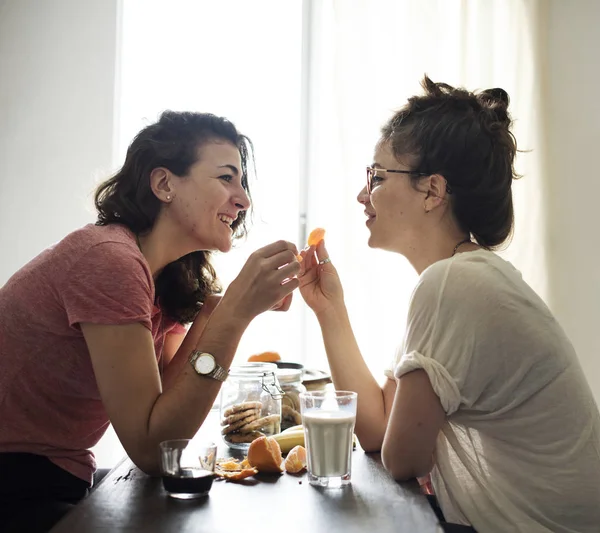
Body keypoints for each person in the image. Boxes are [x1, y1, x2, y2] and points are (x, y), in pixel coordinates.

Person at [298, 77, 600, 532]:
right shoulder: (460, 276)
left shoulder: (453, 284)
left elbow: (400, 458)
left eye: (377, 177)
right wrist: (329, 309)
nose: (364, 195)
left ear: (433, 191)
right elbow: (379, 428)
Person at [0, 111, 300, 531]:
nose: (243, 199)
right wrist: (235, 314)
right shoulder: (109, 260)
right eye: (226, 178)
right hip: (17, 482)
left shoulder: (163, 278)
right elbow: (154, 448)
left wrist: (219, 309)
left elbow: (169, 412)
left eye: (242, 183)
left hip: (57, 476)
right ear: (164, 185)